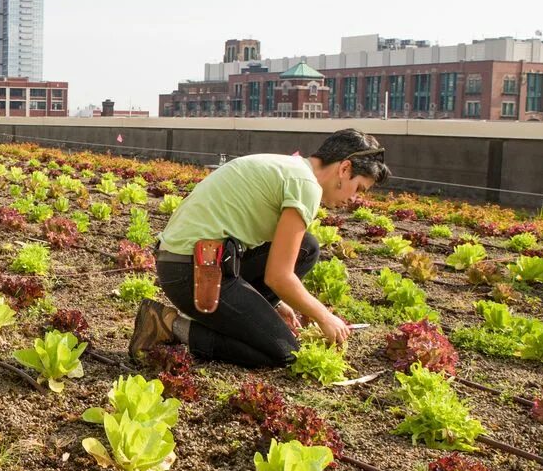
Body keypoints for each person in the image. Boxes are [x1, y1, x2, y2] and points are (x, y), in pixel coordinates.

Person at [128, 128, 391, 368]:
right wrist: (324, 316)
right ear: (344, 169)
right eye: (358, 188)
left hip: (197, 261)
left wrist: (274, 305)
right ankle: (169, 324)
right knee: (283, 351)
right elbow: (279, 276)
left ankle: (248, 318)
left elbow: (276, 263)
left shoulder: (292, 169)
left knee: (307, 247)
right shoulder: (306, 186)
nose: (353, 199)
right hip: (191, 272)